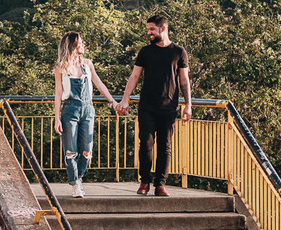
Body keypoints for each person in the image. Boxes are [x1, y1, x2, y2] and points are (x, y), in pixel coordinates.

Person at [115, 14, 191, 197]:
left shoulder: (179, 52)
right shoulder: (145, 52)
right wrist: (125, 99)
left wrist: (188, 105)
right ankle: (145, 182)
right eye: (148, 29)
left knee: (165, 146)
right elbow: (134, 77)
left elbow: (184, 80)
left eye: (152, 29)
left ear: (162, 29)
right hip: (147, 106)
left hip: (169, 107)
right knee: (146, 144)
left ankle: (160, 184)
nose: (149, 32)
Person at [53, 31, 117, 198]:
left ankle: (79, 177)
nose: (83, 45)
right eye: (80, 43)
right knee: (71, 151)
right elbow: (58, 93)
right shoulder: (61, 68)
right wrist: (57, 118)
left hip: (88, 110)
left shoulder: (87, 64)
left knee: (87, 150)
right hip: (69, 110)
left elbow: (98, 83)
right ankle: (75, 183)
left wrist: (112, 101)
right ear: (72, 46)